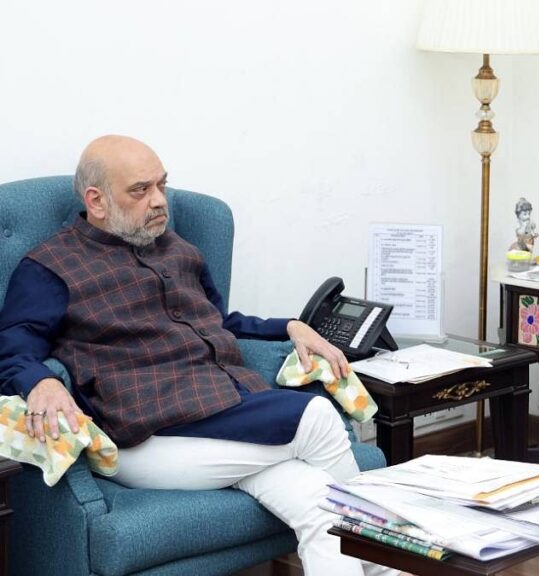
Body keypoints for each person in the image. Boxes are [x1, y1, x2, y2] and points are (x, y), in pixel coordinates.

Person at [0, 135, 390, 576]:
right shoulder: (51, 267)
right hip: (146, 434)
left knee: (318, 502)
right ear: (97, 201)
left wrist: (289, 326)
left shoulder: (179, 250)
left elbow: (217, 321)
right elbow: (14, 345)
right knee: (316, 417)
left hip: (221, 413)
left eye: (161, 186)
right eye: (140, 190)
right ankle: (393, 563)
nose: (158, 201)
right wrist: (41, 381)